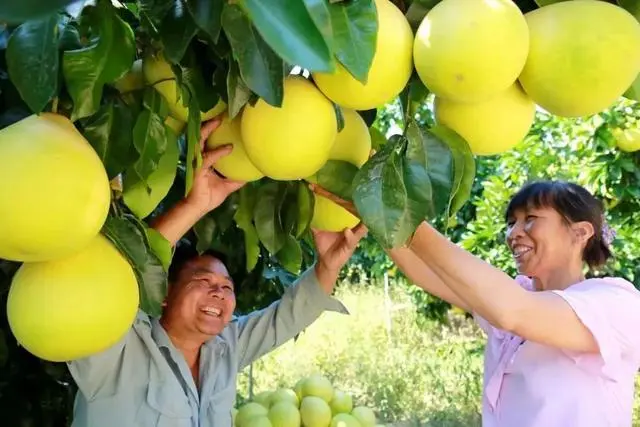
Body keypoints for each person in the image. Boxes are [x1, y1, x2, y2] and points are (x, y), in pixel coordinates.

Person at [67, 118, 368, 427]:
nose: (219, 293)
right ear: (164, 293)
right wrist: (195, 206)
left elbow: (289, 316)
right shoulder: (117, 349)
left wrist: (329, 266)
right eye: (203, 281)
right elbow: (116, 278)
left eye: (227, 288)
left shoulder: (225, 349)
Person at [313, 180, 640, 426]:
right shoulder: (517, 293)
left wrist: (396, 212)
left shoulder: (613, 304)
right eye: (512, 222)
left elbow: (513, 311)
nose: (514, 233)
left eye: (530, 219)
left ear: (580, 232)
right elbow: (431, 273)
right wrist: (376, 216)